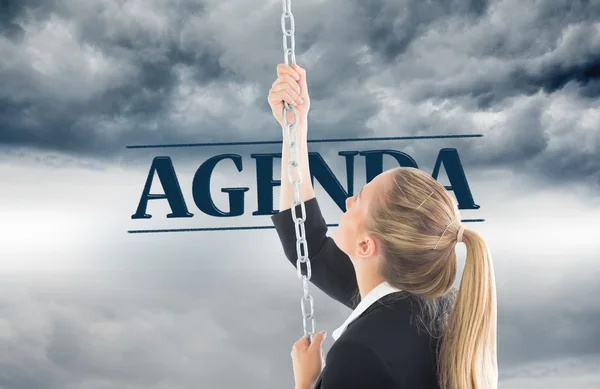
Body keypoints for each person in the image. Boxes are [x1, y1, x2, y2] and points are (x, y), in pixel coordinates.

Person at [267, 63, 498, 389]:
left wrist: (307, 384)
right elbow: (309, 247)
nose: (347, 201)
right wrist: (294, 128)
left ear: (366, 247)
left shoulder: (359, 353)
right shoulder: (437, 306)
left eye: (358, 200)